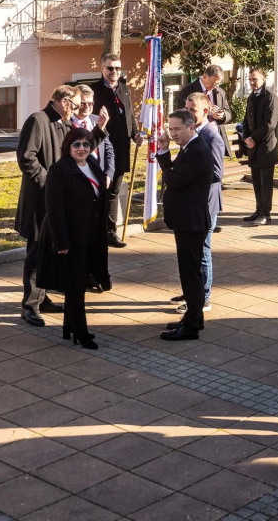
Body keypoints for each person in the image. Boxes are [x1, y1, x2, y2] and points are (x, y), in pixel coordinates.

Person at [15, 85, 107, 327]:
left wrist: (98, 131)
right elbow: (26, 157)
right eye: (75, 106)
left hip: (60, 203)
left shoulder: (66, 124)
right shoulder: (38, 120)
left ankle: (43, 298)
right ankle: (30, 305)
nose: (77, 111)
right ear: (65, 102)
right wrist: (49, 183)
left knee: (51, 252)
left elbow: (79, 149)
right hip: (40, 202)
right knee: (36, 254)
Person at [36, 127, 110, 349]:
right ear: (68, 147)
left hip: (91, 235)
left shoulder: (93, 165)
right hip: (70, 236)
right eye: (76, 144)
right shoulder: (59, 171)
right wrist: (61, 241)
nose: (81, 149)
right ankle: (81, 332)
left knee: (77, 283)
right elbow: (54, 208)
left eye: (86, 144)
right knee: (76, 286)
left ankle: (69, 327)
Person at [156, 109, 219, 341]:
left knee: (191, 276)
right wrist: (166, 151)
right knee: (189, 274)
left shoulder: (197, 151)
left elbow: (173, 179)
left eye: (177, 129)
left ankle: (192, 326)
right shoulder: (190, 147)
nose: (172, 133)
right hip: (186, 220)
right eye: (170, 129)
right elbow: (175, 174)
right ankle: (192, 318)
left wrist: (163, 152)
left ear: (191, 127)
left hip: (191, 222)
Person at [175, 92, 226, 314]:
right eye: (186, 109)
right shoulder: (191, 133)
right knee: (192, 253)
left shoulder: (211, 136)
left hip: (205, 204)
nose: (188, 113)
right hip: (192, 203)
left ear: (206, 111)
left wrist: (189, 175)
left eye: (192, 110)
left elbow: (216, 173)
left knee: (202, 252)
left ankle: (203, 297)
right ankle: (191, 291)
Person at [90, 53, 141, 248]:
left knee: (113, 192)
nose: (114, 72)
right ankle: (97, 230)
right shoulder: (94, 91)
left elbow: (130, 115)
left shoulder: (124, 89)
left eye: (118, 68)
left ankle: (111, 232)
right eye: (110, 68)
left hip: (121, 148)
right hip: (100, 148)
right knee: (100, 190)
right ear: (102, 69)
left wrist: (135, 134)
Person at [243, 68, 278, 225]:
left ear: (263, 79)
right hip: (253, 146)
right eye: (250, 79)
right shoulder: (251, 97)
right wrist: (246, 138)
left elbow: (269, 124)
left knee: (266, 182)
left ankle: (266, 213)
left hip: (266, 146)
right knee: (256, 181)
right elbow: (246, 121)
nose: (252, 82)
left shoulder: (270, 97)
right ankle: (258, 209)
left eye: (255, 79)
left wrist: (253, 138)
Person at [176, 65, 233, 157]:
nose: (215, 87)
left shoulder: (220, 92)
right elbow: (181, 115)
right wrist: (204, 113)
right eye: (214, 83)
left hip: (215, 139)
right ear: (205, 76)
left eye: (218, 84)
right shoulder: (188, 91)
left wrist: (222, 116)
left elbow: (228, 113)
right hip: (194, 138)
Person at [71, 85, 115, 195]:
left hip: (99, 177)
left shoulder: (97, 120)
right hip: (77, 179)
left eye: (90, 103)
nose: (87, 107)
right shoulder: (66, 124)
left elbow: (108, 150)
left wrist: (108, 174)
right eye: (83, 103)